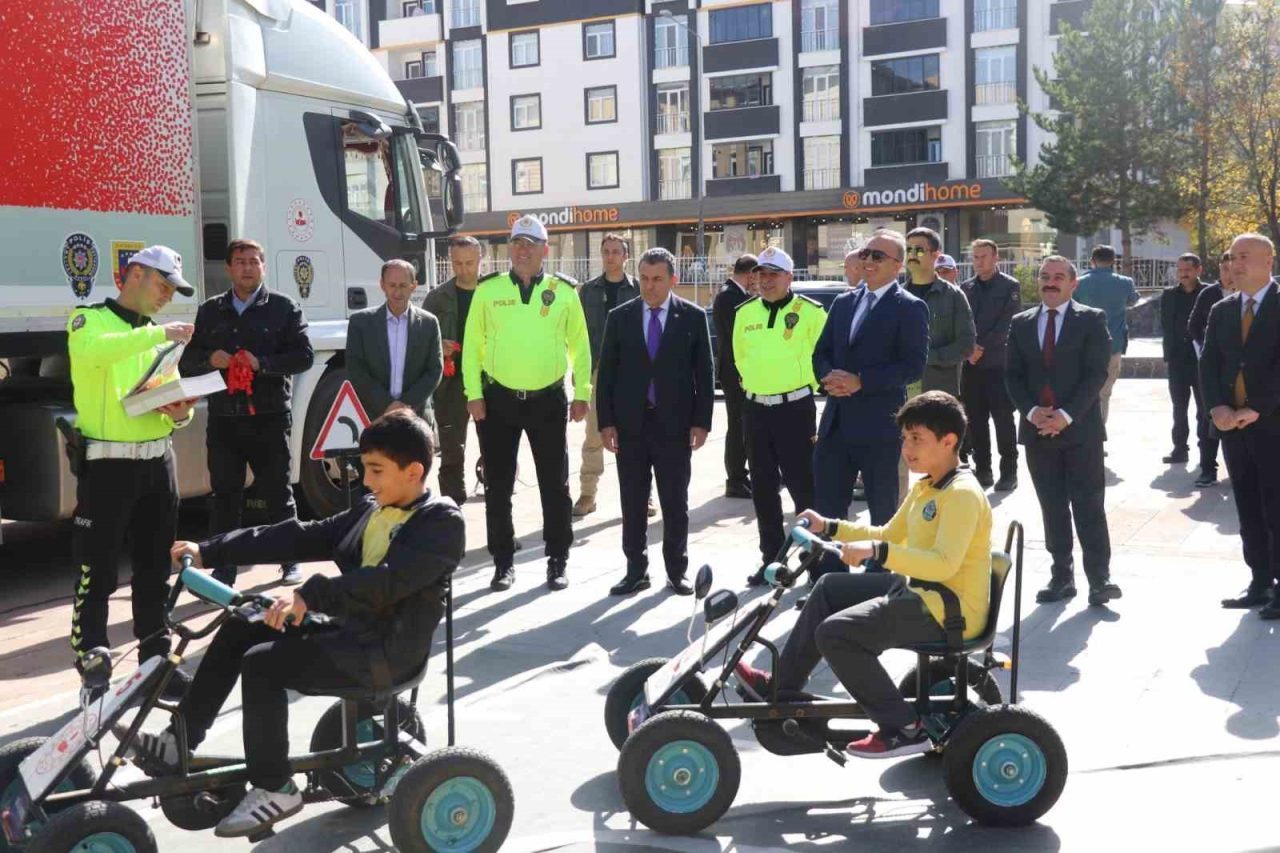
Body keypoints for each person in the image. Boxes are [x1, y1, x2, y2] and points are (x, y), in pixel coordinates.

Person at [129, 411, 464, 838]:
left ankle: (275, 786)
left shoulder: (442, 524)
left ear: (414, 471)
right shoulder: (370, 508)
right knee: (244, 622)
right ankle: (179, 742)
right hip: (349, 632)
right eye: (364, 469)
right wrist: (208, 550)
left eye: (376, 471)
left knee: (264, 664)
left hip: (384, 653)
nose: (366, 481)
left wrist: (309, 595)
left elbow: (386, 584)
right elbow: (299, 535)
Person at [734, 392, 993, 759]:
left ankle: (903, 727)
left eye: (917, 439)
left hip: (948, 608)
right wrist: (831, 527)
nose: (907, 448)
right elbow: (888, 533)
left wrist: (878, 553)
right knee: (828, 589)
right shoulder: (928, 485)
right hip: (922, 592)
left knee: (836, 634)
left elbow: (942, 564)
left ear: (949, 441)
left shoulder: (962, 494)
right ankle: (783, 690)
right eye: (904, 438)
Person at [67, 245, 198, 698]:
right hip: (108, 466)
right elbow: (95, 353)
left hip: (158, 461)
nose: (167, 297)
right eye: (163, 286)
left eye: (173, 291)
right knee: (97, 569)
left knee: (153, 568)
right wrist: (158, 335)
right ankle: (93, 659)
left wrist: (181, 413)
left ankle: (155, 659)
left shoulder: (158, 337)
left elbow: (170, 404)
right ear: (135, 274)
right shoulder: (88, 320)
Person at [463, 215, 591, 592]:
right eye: (516, 243)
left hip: (548, 400)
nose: (521, 250)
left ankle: (557, 559)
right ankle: (502, 562)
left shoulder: (563, 291)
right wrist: (473, 393)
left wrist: (581, 392)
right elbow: (472, 346)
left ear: (544, 251)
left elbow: (580, 348)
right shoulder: (488, 291)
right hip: (498, 401)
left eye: (530, 244)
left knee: (556, 485)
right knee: (498, 487)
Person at [181, 238, 314, 586]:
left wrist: (263, 363)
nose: (247, 267)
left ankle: (290, 560)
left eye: (254, 261)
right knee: (225, 496)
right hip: (225, 419)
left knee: (277, 493)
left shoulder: (284, 308)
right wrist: (209, 359)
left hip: (268, 417)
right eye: (240, 261)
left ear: (263, 267)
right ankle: (224, 567)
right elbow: (187, 361)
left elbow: (304, 357)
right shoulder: (210, 310)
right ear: (228, 268)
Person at [596, 248, 714, 596]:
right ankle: (636, 570)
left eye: (657, 279)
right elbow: (607, 376)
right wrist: (607, 423)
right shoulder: (620, 317)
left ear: (672, 280)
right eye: (644, 279)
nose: (649, 286)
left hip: (674, 427)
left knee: (675, 501)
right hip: (630, 427)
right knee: (632, 502)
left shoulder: (691, 317)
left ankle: (677, 571)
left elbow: (704, 375)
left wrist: (701, 422)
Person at [1005, 256, 1122, 607]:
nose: (1050, 282)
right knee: (1052, 506)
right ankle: (1061, 575)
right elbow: (1012, 375)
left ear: (1074, 284)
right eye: (1044, 276)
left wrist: (1066, 415)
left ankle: (1100, 579)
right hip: (1037, 431)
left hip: (1080, 430)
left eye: (1058, 277)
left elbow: (1095, 373)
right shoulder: (1021, 323)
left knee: (1089, 505)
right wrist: (1031, 412)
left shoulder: (1091, 319)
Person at [812, 234, 929, 580]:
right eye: (865, 253)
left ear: (897, 264)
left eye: (877, 255)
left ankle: (881, 580)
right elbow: (821, 352)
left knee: (883, 511)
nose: (868, 260)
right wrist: (828, 377)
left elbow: (913, 366)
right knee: (829, 510)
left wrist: (861, 380)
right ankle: (827, 579)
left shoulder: (910, 307)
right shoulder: (844, 303)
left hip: (880, 427)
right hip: (835, 425)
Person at [734, 247, 827, 584]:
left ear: (790, 277)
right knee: (762, 487)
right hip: (757, 409)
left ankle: (815, 564)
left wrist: (801, 387)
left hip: (795, 409)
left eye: (774, 274)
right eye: (761, 274)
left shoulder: (811, 312)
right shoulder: (744, 313)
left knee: (804, 488)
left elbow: (823, 356)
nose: (766, 280)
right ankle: (771, 560)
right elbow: (739, 358)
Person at [1200, 233, 1280, 617]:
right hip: (1233, 427)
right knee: (1247, 504)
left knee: (1275, 506)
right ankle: (1260, 580)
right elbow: (1209, 364)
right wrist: (1216, 407)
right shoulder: (1223, 310)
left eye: (1245, 256)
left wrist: (1258, 407)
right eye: (1232, 256)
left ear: (1270, 261)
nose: (1235, 263)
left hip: (1273, 425)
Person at [574, 233, 640, 519]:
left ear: (626, 256)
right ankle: (588, 493)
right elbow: (578, 336)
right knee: (594, 435)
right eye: (605, 251)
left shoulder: (638, 289)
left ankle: (642, 495)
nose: (610, 256)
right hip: (597, 370)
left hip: (631, 371)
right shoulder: (587, 291)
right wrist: (580, 374)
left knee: (636, 435)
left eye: (615, 251)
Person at [422, 236, 482, 504]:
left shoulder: (493, 293)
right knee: (451, 450)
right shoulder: (437, 298)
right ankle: (451, 507)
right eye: (457, 263)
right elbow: (421, 337)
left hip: (489, 382)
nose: (464, 269)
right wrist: (438, 344)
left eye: (469, 263)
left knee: (495, 448)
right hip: (451, 383)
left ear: (481, 259)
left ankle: (498, 508)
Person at [961, 239, 1021, 491]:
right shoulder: (966, 288)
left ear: (996, 258)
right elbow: (962, 323)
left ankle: (1009, 472)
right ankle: (983, 470)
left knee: (1003, 420)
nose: (979, 261)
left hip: (998, 365)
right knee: (976, 421)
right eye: (975, 257)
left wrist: (979, 348)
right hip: (971, 368)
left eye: (984, 256)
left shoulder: (1009, 286)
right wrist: (968, 349)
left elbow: (1008, 323)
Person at [902, 228, 975, 397]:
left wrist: (925, 357)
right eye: (908, 250)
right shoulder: (897, 296)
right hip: (901, 390)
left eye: (919, 250)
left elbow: (966, 345)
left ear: (935, 255)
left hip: (939, 392)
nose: (912, 254)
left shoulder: (953, 295)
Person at [1073, 245, 1138, 427]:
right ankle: (1099, 435)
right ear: (1113, 261)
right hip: (1113, 345)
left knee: (1083, 391)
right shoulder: (1125, 283)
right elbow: (1132, 300)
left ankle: (1082, 432)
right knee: (1104, 393)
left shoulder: (1079, 282)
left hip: (1083, 346)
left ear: (1092, 261)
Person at [712, 254, 758, 499]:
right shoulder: (730, 296)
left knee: (744, 424)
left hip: (740, 371)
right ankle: (735, 478)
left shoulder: (737, 295)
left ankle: (742, 474)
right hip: (735, 372)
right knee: (737, 425)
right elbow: (736, 340)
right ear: (749, 273)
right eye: (756, 275)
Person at [1186, 251, 1234, 487]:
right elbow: (1193, 326)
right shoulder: (1209, 295)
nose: (1230, 274)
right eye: (1225, 269)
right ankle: (1207, 468)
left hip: (1244, 371)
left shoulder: (1255, 294)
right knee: (1209, 416)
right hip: (1212, 368)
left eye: (1233, 268)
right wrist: (1204, 352)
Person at [1160, 253, 1210, 473]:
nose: (1183, 274)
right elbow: (1166, 325)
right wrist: (1169, 354)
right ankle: (1179, 448)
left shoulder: (1208, 293)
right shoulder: (1169, 295)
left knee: (1204, 409)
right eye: (1179, 270)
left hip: (1202, 360)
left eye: (1187, 270)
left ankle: (1205, 452)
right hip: (1177, 361)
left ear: (1199, 270)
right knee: (1179, 407)